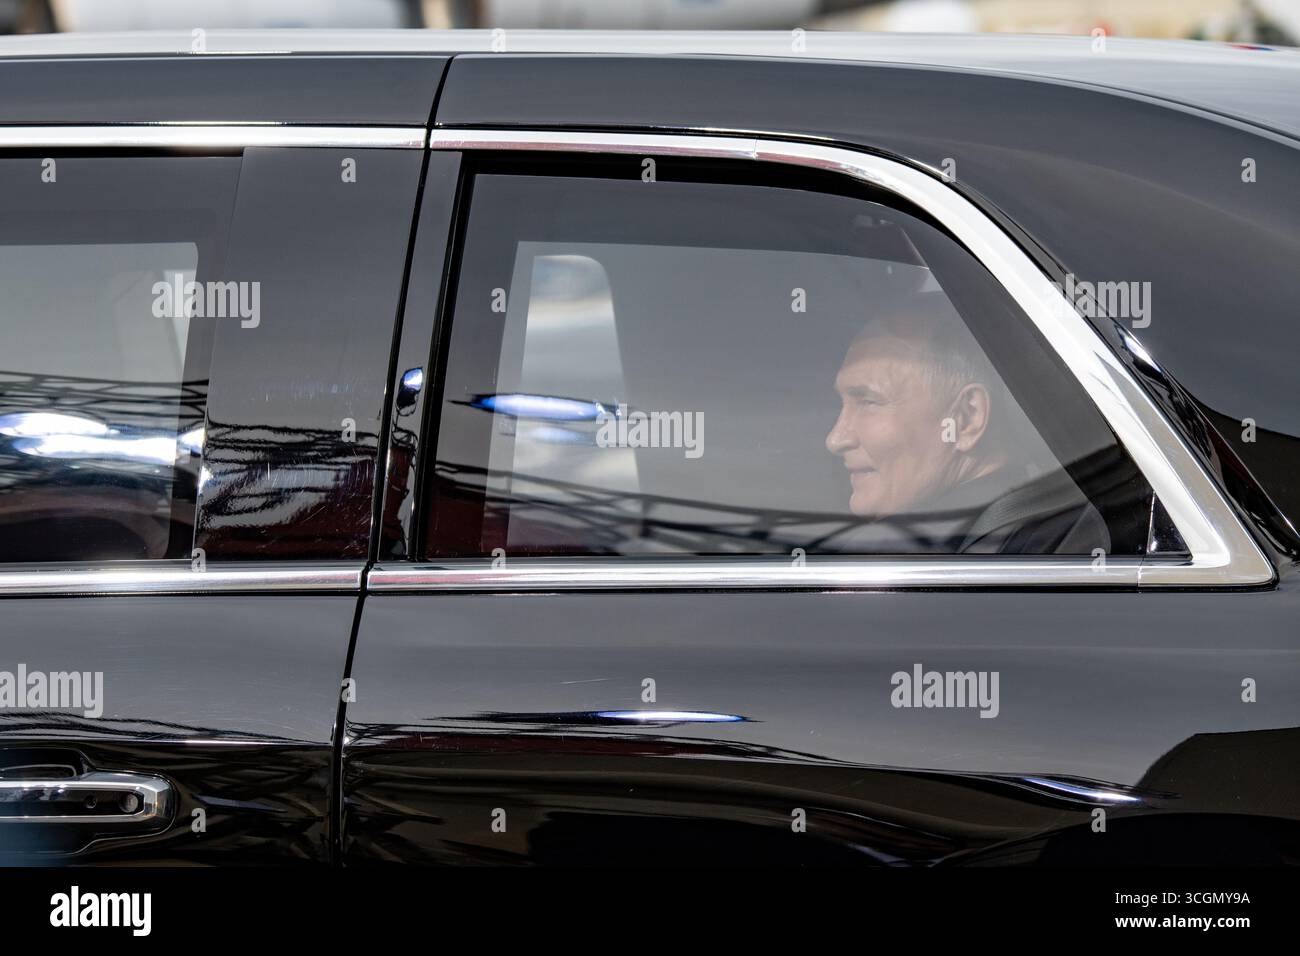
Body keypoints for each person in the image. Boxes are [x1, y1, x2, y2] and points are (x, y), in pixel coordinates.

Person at [825, 292, 1110, 554]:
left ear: (966, 418)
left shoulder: (1021, 553)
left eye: (868, 402)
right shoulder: (1037, 539)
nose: (835, 439)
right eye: (843, 403)